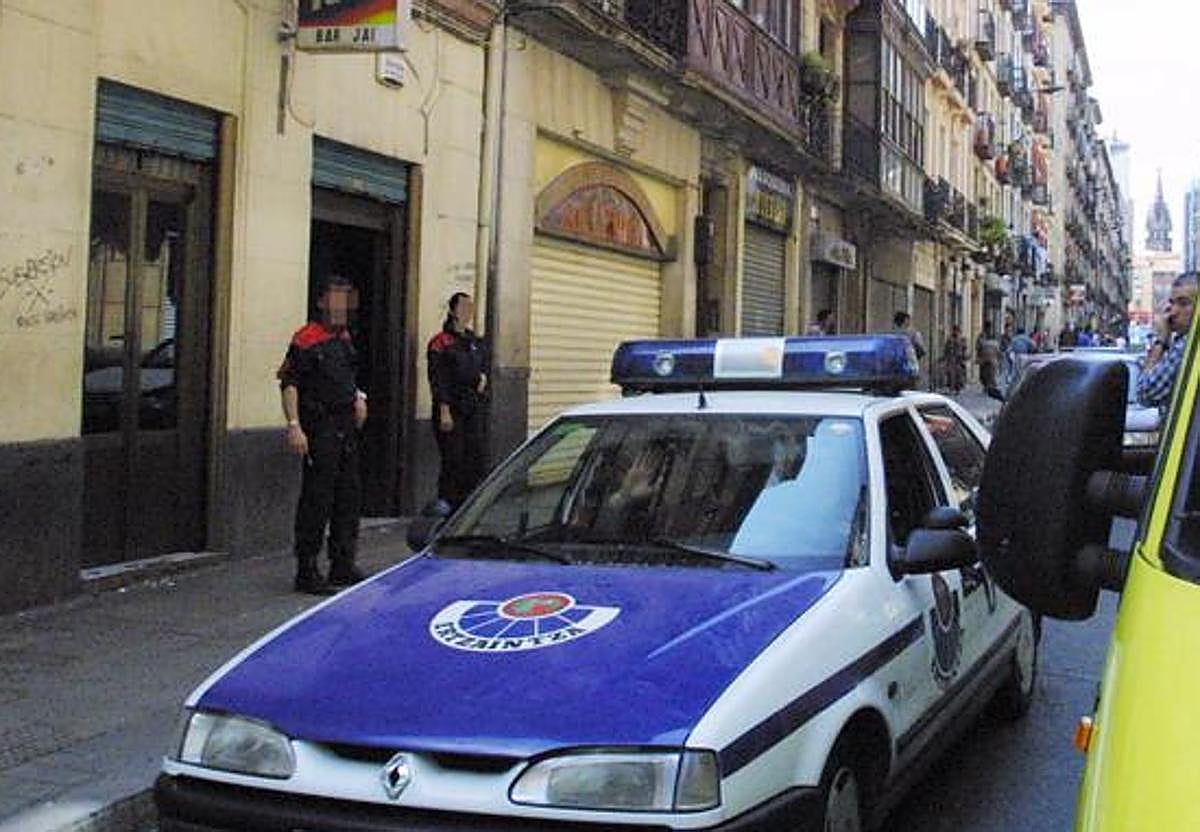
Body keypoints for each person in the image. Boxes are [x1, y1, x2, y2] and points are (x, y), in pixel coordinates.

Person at [278, 275, 368, 595]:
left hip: (346, 428)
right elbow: (289, 383)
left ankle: (342, 563)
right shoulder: (305, 339)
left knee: (348, 497)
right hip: (320, 428)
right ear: (321, 302)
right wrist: (294, 426)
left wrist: (359, 397)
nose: (341, 306)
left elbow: (347, 377)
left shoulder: (343, 337)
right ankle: (307, 568)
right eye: (335, 298)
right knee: (317, 499)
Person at [427, 292, 489, 509]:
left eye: (471, 307)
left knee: (475, 457)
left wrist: (482, 378)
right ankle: (446, 503)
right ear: (453, 311)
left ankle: (467, 505)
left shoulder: (473, 341)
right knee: (453, 458)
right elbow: (437, 378)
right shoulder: (440, 342)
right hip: (451, 408)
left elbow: (481, 366)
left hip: (472, 406)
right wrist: (444, 409)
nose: (468, 312)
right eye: (463, 307)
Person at [1136, 273, 1198, 413]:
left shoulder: (1187, 346)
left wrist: (1161, 340)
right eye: (1172, 303)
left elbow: (1146, 393)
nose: (1173, 312)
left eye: (1183, 303)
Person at [976, 322, 1001, 393]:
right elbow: (978, 347)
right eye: (987, 327)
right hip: (985, 357)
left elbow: (978, 347)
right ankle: (987, 386)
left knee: (989, 373)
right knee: (984, 374)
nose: (988, 329)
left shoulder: (991, 335)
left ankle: (989, 386)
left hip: (989, 357)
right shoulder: (982, 336)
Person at [942, 325, 967, 393]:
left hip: (958, 360)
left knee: (959, 375)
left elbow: (964, 349)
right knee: (950, 374)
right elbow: (946, 349)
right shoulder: (949, 339)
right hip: (951, 359)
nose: (955, 332)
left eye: (957, 331)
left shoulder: (962, 339)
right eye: (954, 330)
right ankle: (951, 388)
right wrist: (944, 357)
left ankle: (957, 388)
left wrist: (963, 357)